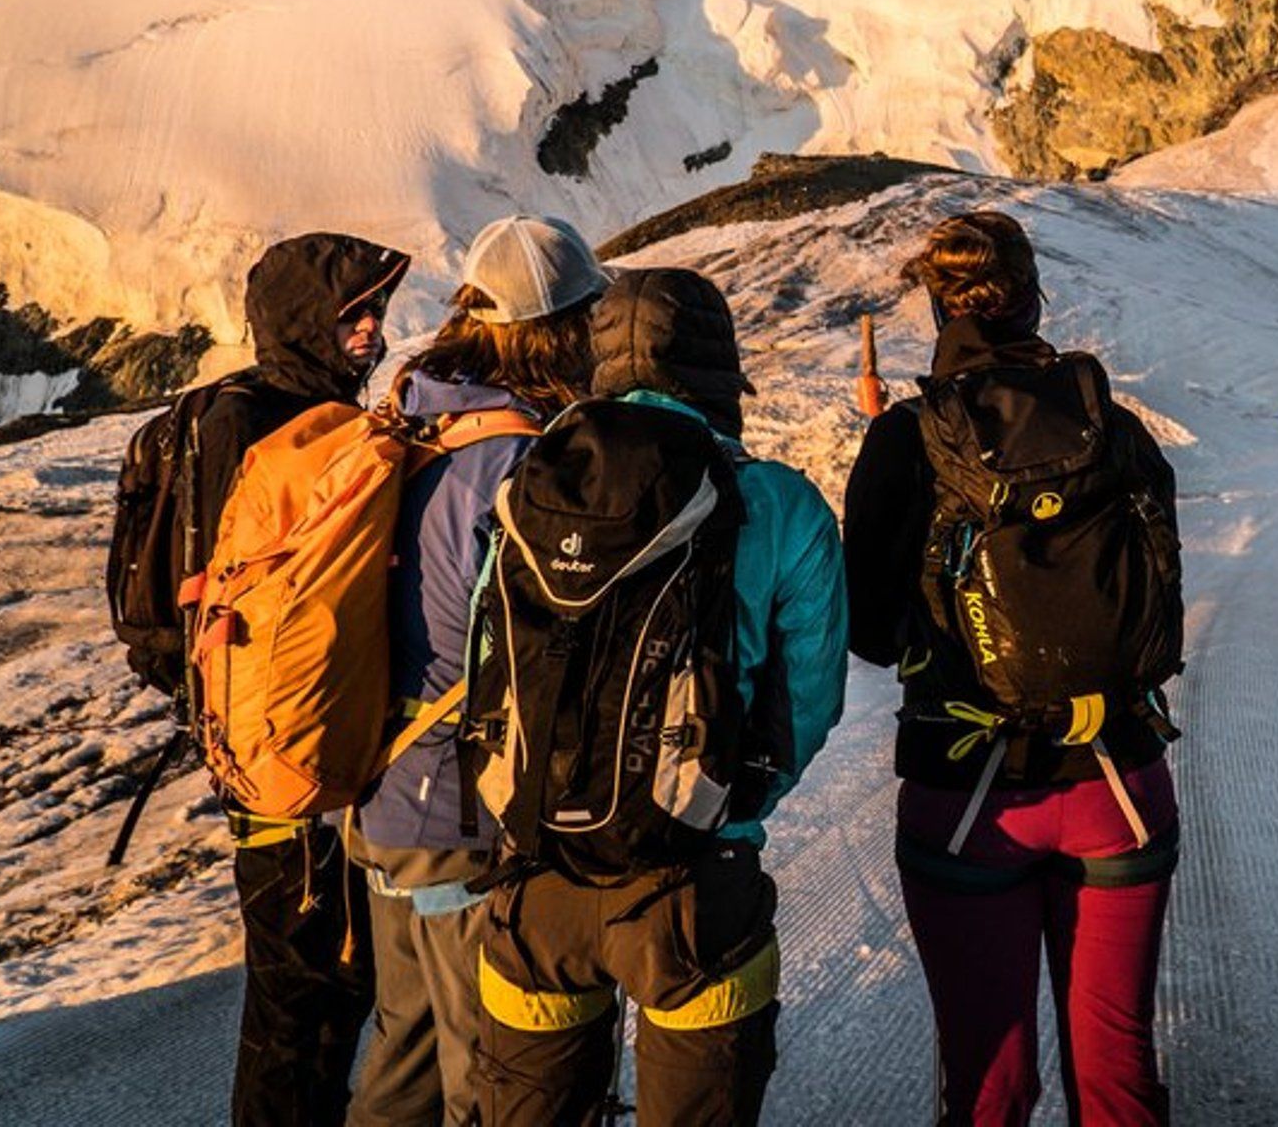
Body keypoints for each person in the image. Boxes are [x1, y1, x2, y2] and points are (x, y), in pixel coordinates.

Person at [474, 265, 849, 1127]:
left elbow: (484, 658)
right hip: (694, 885)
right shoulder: (778, 502)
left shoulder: (532, 486)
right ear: (721, 376)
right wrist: (729, 797)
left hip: (537, 880)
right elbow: (811, 697)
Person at [842, 210, 1183, 1127]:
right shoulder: (1116, 427)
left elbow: (871, 634)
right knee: (1118, 1076)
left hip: (969, 799)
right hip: (1118, 779)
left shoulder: (907, 440)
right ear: (1034, 297)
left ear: (938, 307)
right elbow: (1158, 615)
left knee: (987, 1085)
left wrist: (895, 456)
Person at [344, 216, 609, 1127]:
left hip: (383, 792)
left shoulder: (415, 414)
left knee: (403, 1058)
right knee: (484, 1082)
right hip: (457, 805)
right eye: (587, 322)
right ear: (557, 329)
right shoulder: (518, 460)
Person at [186, 232, 410, 1127]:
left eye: (376, 311)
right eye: (353, 313)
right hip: (286, 749)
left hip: (275, 741)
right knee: (303, 995)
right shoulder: (272, 423)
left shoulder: (260, 410)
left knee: (311, 988)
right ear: (305, 319)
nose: (371, 329)